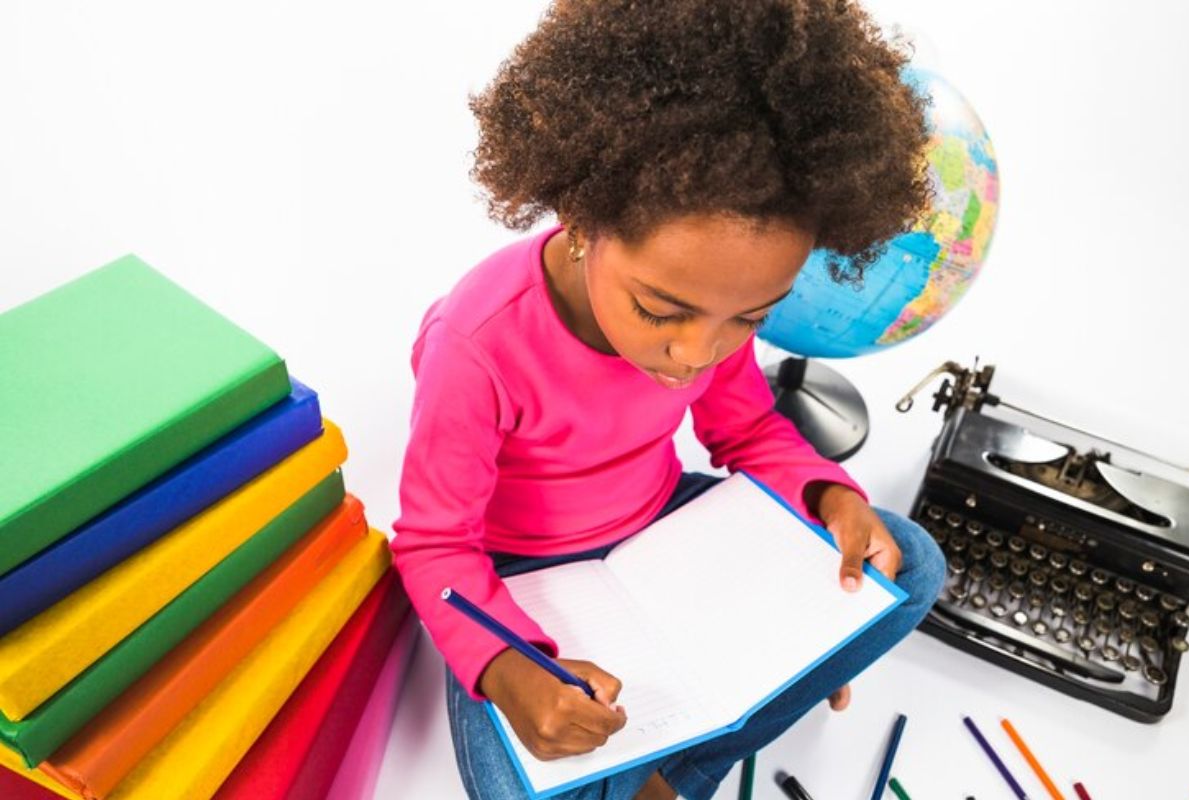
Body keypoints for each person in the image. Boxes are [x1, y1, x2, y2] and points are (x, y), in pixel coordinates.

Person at [391, 2, 945, 798]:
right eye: (660, 311)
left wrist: (827, 494)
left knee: (910, 564)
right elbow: (435, 546)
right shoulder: (474, 344)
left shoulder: (714, 303)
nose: (696, 354)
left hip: (663, 528)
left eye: (748, 318)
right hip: (516, 574)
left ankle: (680, 763)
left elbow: (750, 429)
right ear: (583, 218)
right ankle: (675, 769)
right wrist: (509, 667)